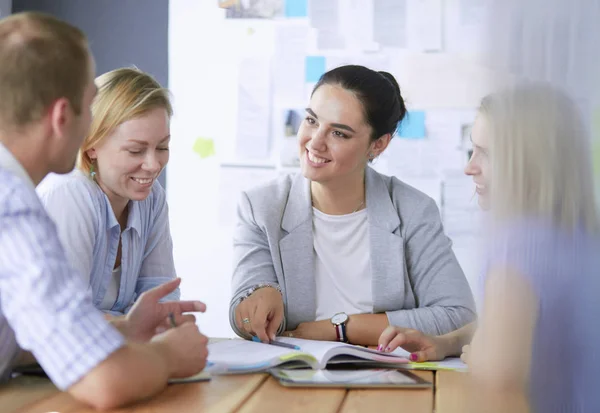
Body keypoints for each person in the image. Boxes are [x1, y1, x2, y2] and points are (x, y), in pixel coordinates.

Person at [0, 12, 208, 409]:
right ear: (65, 117)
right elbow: (105, 381)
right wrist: (169, 356)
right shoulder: (14, 209)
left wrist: (126, 331)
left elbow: (33, 333)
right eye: (90, 107)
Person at [379, 84, 600, 411]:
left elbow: (504, 389)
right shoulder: (579, 235)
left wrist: (486, 360)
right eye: (473, 149)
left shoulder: (519, 247)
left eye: (487, 153)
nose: (470, 167)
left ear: (531, 161)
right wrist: (448, 342)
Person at [229, 65, 476, 346]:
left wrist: (341, 328)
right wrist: (253, 306)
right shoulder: (261, 207)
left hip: (385, 376)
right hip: (291, 373)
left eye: (339, 134)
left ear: (379, 145)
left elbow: (458, 316)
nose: (315, 142)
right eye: (311, 120)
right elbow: (243, 318)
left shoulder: (413, 210)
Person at [37, 67, 176, 315]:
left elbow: (161, 297)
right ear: (91, 146)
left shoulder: (152, 198)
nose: (154, 165)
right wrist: (134, 327)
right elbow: (68, 318)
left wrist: (167, 326)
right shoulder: (70, 195)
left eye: (162, 147)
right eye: (135, 150)